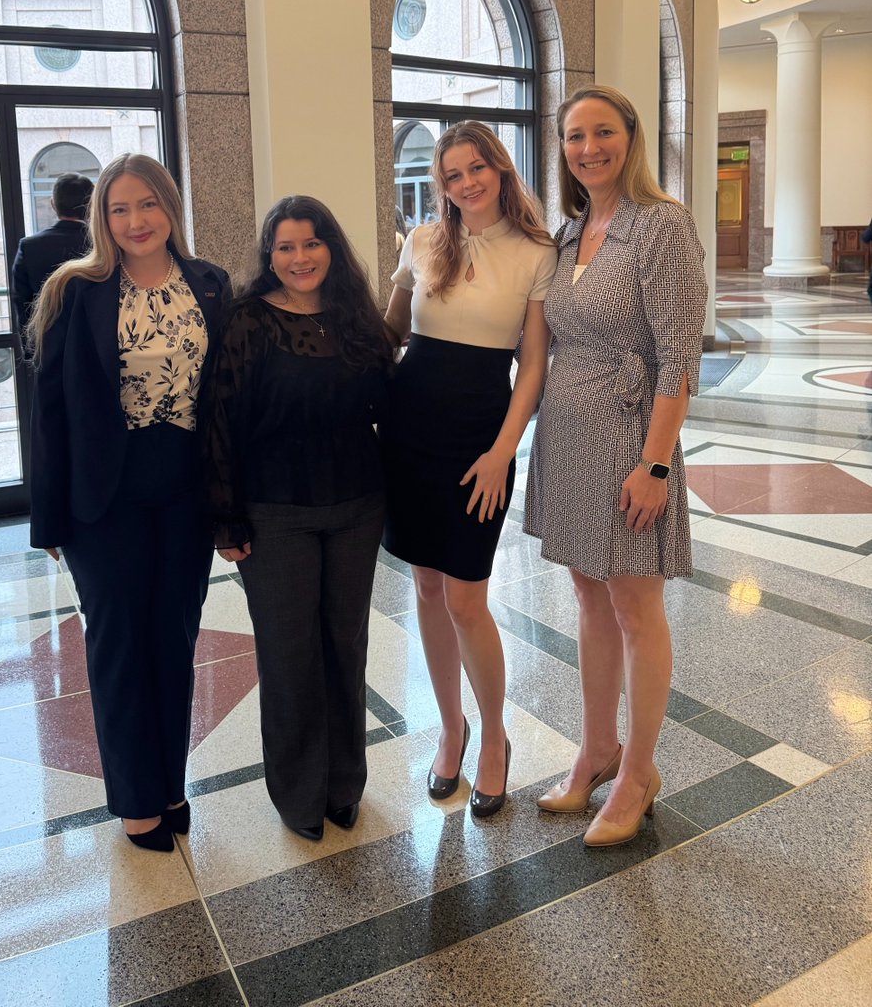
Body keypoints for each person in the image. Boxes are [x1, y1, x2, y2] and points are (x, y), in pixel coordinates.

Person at [27, 153, 231, 853]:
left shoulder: (209, 284)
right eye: (120, 208)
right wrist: (48, 516)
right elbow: (49, 412)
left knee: (173, 641)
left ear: (170, 207)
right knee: (118, 645)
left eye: (148, 204)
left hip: (183, 490)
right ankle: (136, 801)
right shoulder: (75, 289)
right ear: (101, 218)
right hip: (101, 497)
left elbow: (226, 402)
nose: (136, 220)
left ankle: (170, 783)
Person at [524, 85, 707, 847]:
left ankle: (637, 772)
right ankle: (596, 749)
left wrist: (655, 466)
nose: (587, 147)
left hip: (632, 444)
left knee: (635, 606)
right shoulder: (569, 235)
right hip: (567, 443)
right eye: (573, 136)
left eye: (602, 132)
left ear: (630, 139)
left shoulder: (660, 227)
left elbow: (677, 356)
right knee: (587, 597)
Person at [382, 122, 556, 819]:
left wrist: (501, 451)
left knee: (466, 598)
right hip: (409, 432)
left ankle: (493, 736)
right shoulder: (423, 241)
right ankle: (449, 731)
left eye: (475, 168)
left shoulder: (535, 252)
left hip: (478, 439)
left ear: (498, 168)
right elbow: (387, 333)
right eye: (451, 175)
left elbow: (532, 365)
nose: (464, 184)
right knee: (426, 587)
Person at [205, 196, 392, 841]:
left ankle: (345, 784)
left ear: (332, 249)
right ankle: (298, 793)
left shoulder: (356, 320)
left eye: (311, 243)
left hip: (356, 511)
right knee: (289, 657)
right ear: (269, 256)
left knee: (346, 648)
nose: (299, 257)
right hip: (274, 515)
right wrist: (226, 519)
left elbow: (387, 413)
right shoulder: (247, 322)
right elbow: (220, 421)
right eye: (284, 246)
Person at [11, 173, 94, 349]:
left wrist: (31, 350)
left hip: (49, 345)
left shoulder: (29, 246)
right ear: (92, 205)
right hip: (96, 344)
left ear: (53, 204)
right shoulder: (103, 244)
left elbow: (22, 303)